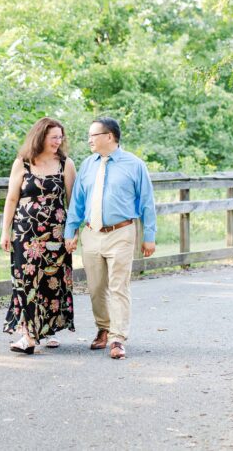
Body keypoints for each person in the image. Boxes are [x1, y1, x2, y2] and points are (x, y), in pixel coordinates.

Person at [64, 117, 156, 360]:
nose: (89, 139)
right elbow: (78, 202)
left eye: (94, 135)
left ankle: (117, 338)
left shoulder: (134, 165)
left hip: (121, 232)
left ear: (109, 136)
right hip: (92, 233)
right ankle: (103, 328)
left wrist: (149, 236)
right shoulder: (88, 165)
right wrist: (70, 231)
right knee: (95, 288)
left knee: (118, 286)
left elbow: (147, 202)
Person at [0, 117, 77, 354]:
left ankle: (48, 329)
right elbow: (12, 198)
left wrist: (73, 233)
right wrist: (5, 231)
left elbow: (73, 201)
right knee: (26, 282)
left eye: (60, 137)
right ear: (40, 136)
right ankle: (28, 335)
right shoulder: (22, 163)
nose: (58, 141)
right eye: (53, 137)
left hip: (56, 233)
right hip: (25, 233)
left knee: (52, 282)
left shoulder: (65, 164)